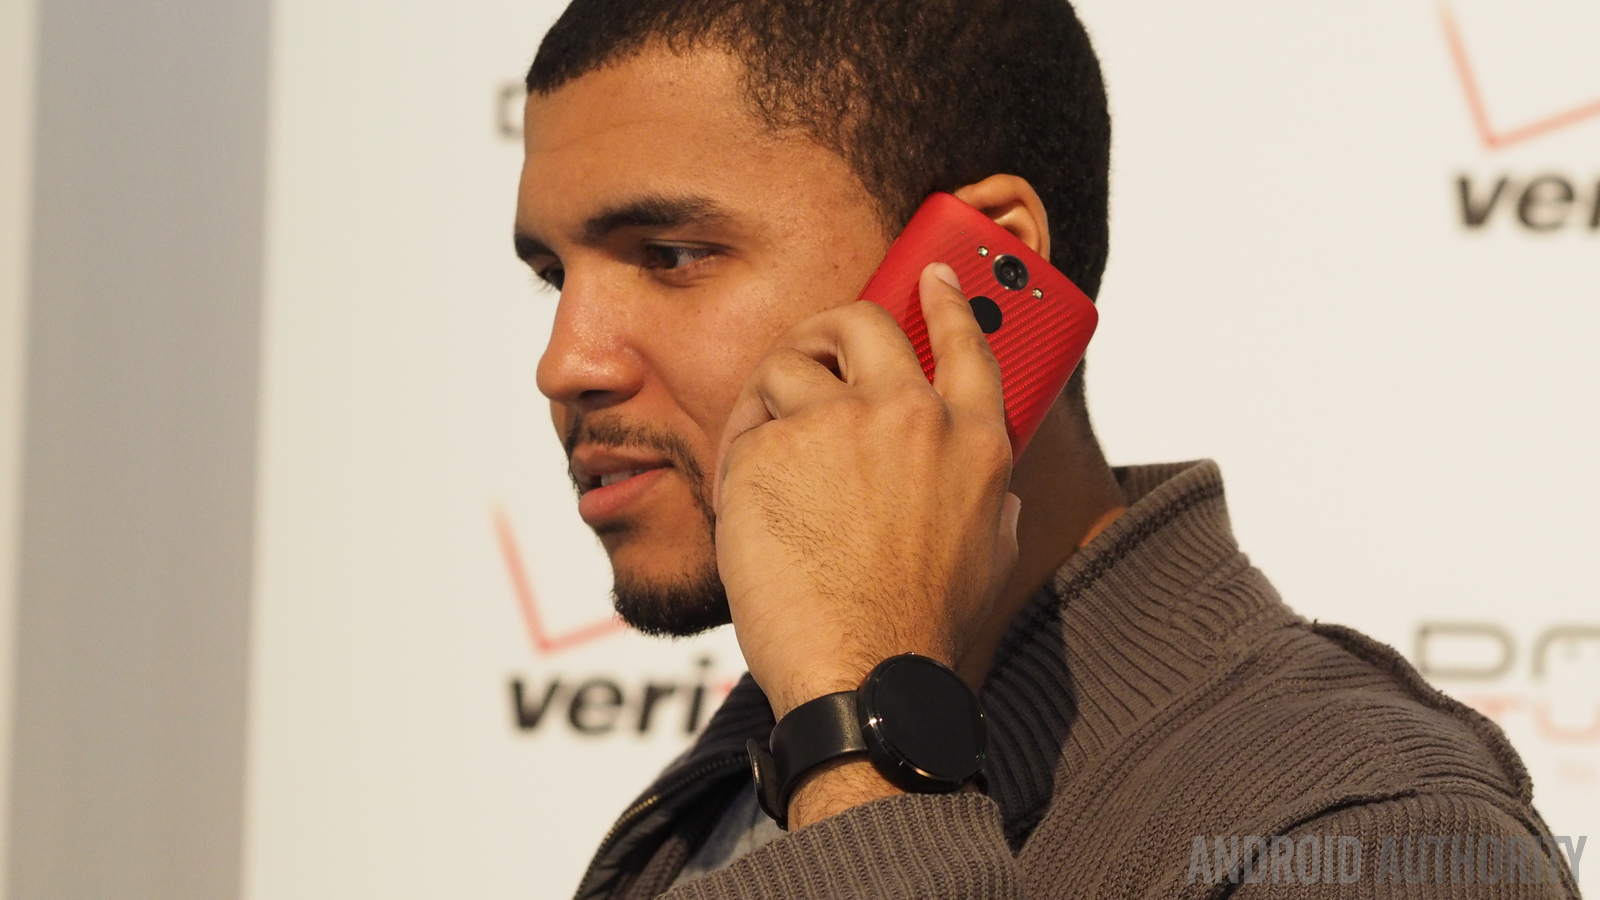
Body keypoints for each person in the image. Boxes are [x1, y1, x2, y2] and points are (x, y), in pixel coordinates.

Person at [512, 1, 1581, 897]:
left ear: (978, 270)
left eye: (671, 254)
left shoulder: (1378, 836)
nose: (567, 362)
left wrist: (862, 751)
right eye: (555, 277)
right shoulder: (734, 782)